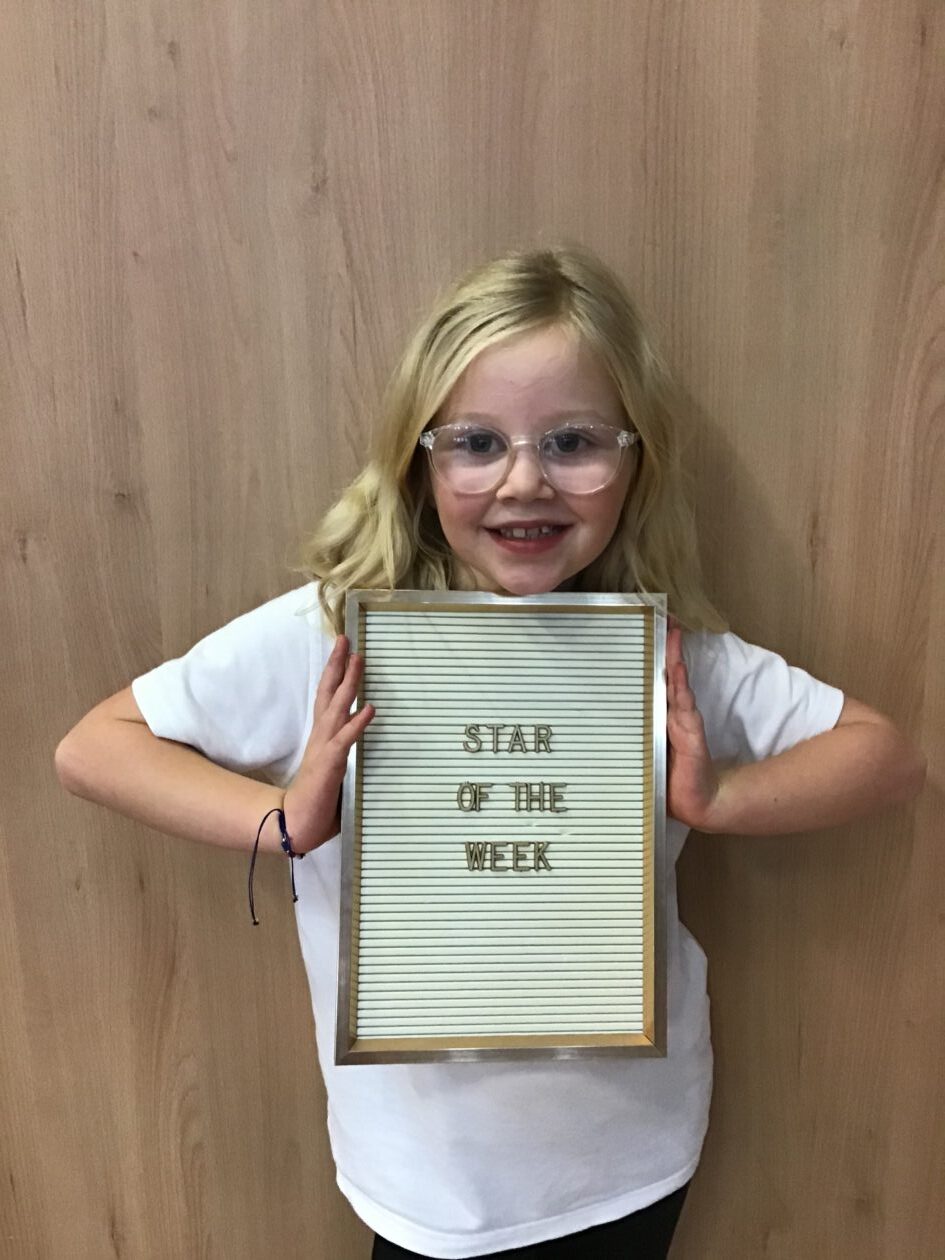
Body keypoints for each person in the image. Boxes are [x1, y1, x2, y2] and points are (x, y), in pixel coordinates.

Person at [55, 245, 926, 1259]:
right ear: (419, 462)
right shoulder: (332, 637)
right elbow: (96, 747)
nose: (524, 481)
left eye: (574, 442)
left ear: (635, 461)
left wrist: (721, 798)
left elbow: (883, 756)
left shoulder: (662, 655)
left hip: (627, 1157)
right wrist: (282, 820)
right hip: (418, 1174)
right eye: (475, 442)